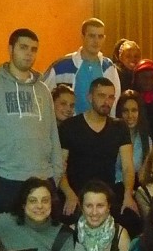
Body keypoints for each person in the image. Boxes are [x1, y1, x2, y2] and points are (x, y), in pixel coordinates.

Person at [0, 28, 63, 214]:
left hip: (43, 180)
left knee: (42, 234)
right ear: (10, 49)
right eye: (23, 47)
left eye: (34, 49)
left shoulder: (43, 90)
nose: (29, 53)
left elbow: (53, 134)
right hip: (6, 180)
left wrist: (56, 174)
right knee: (6, 234)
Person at [58, 78, 135, 218]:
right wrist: (69, 194)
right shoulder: (69, 126)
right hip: (76, 196)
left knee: (131, 217)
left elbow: (128, 167)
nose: (107, 101)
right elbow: (59, 167)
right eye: (101, 95)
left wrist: (128, 194)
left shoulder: (119, 127)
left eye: (111, 97)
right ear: (90, 97)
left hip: (107, 198)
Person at [43, 18, 122, 115]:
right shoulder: (61, 66)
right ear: (82, 37)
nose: (96, 41)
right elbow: (43, 97)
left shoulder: (109, 67)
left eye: (100, 36)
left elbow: (115, 102)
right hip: (70, 123)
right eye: (92, 36)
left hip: (101, 123)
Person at [115, 90, 152, 221]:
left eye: (134, 110)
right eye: (125, 111)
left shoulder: (145, 140)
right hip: (113, 189)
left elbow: (143, 176)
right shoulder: (111, 135)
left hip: (135, 189)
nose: (130, 115)